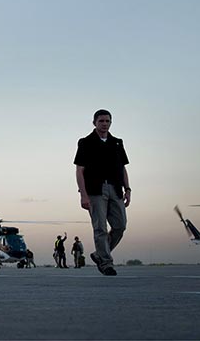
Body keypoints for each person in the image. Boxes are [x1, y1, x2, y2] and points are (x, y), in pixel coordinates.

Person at [74, 109, 131, 277]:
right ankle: (106, 263)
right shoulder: (85, 142)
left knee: (120, 225)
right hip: (95, 190)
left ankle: (100, 254)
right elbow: (79, 170)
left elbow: (123, 168)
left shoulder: (117, 143)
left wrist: (128, 189)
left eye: (107, 121)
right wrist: (83, 194)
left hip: (116, 189)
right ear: (94, 123)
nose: (105, 124)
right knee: (100, 228)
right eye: (101, 121)